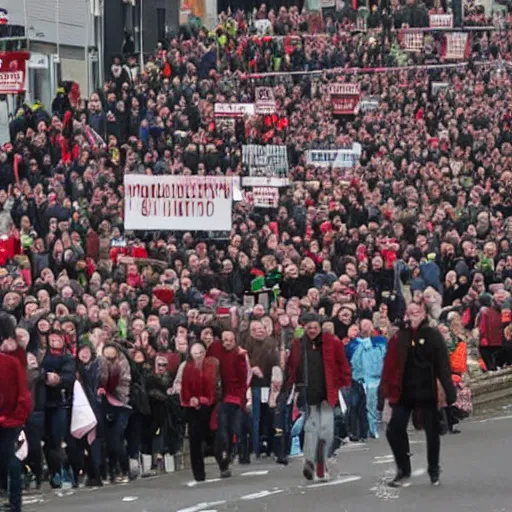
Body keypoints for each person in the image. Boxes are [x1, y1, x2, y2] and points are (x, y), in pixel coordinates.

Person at [379, 301, 456, 487]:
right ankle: (403, 468)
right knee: (394, 428)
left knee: (432, 431)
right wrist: (383, 393)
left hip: (426, 389)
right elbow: (390, 366)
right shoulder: (400, 336)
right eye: (410, 312)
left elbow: (443, 366)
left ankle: (433, 469)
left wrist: (449, 391)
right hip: (403, 391)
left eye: (417, 312)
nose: (413, 315)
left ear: (425, 314)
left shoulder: (433, 335)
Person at [287, 312, 351, 481]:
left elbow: (342, 363)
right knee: (311, 427)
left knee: (326, 430)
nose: (313, 330)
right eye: (309, 327)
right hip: (308, 393)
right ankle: (310, 460)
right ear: (304, 328)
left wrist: (345, 382)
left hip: (327, 393)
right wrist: (291, 388)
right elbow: (292, 367)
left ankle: (320, 463)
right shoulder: (298, 345)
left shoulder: (332, 342)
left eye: (315, 327)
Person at [0, 317, 33, 512]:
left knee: (9, 457)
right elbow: (23, 393)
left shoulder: (11, 361)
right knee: (9, 457)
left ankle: (14, 501)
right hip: (11, 417)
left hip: (10, 418)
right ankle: (14, 501)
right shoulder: (14, 360)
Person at [180, 342, 219, 482]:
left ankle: (223, 461)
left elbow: (216, 386)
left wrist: (205, 399)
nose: (198, 356)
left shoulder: (212, 365)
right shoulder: (187, 368)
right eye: (195, 353)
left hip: (211, 405)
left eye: (201, 353)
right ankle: (198, 473)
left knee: (213, 436)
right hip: (193, 406)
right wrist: (190, 399)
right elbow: (183, 386)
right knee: (194, 439)